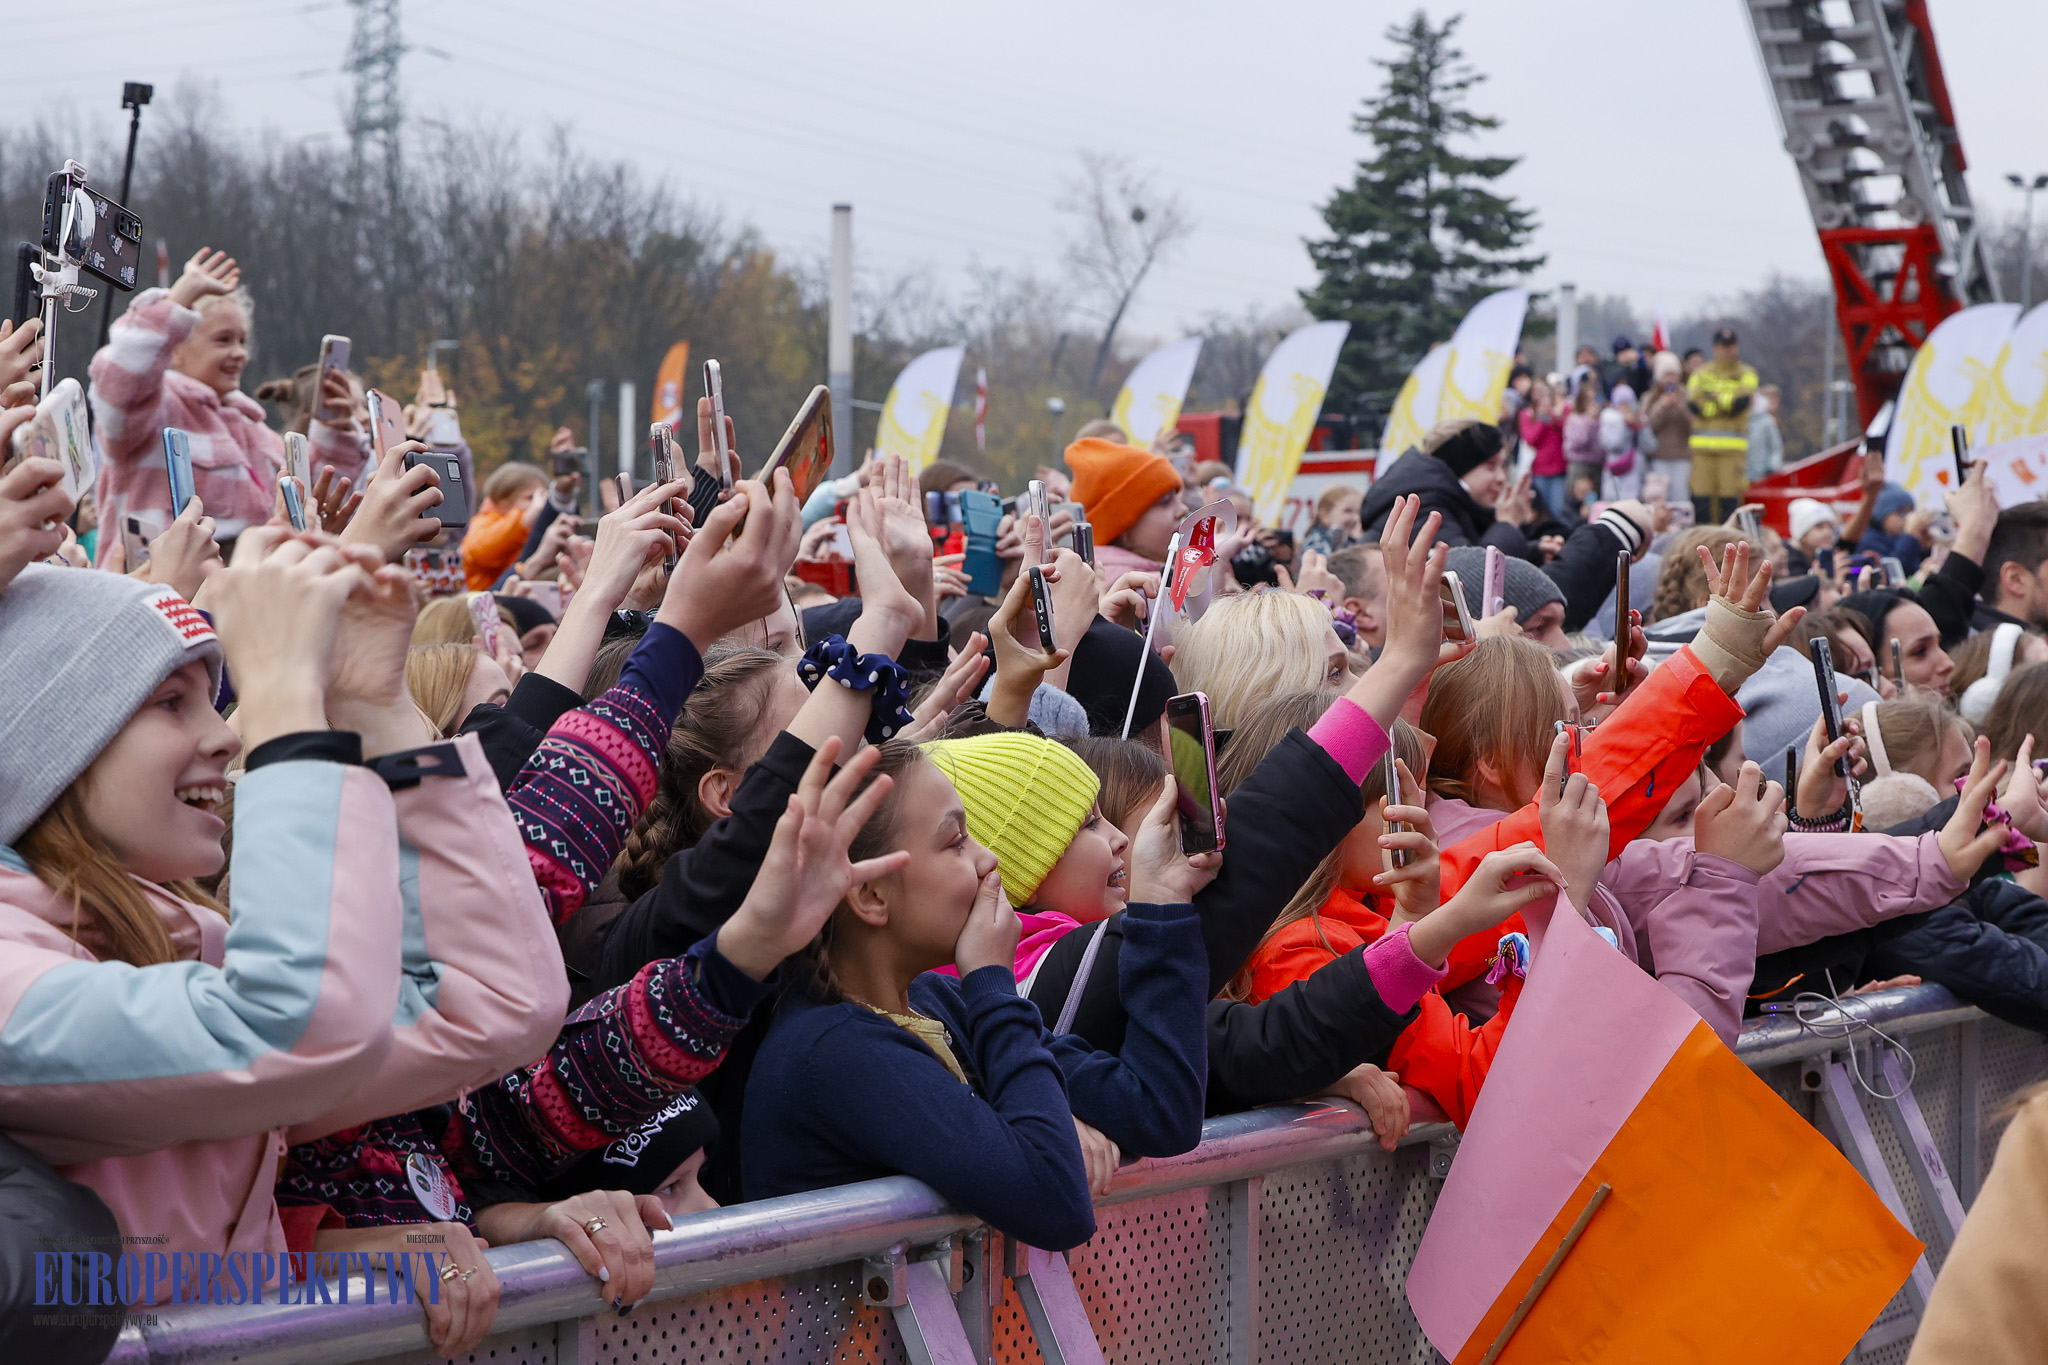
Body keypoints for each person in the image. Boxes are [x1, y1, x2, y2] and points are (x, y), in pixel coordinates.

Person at [0, 529, 568, 1296]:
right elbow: (293, 1024)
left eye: (220, 700)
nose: (225, 733)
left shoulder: (184, 943)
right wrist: (280, 706)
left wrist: (377, 706)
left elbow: (494, 1003)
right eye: (171, 701)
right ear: (44, 743)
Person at [88, 248, 329, 553]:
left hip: (237, 595)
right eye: (223, 340)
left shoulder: (255, 429)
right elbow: (118, 378)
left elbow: (320, 487)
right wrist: (176, 301)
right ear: (174, 347)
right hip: (155, 594)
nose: (240, 353)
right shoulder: (152, 412)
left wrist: (337, 428)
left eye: (242, 340)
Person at [1358, 420, 1529, 556]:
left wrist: (1536, 552)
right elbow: (1471, 578)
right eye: (1490, 467)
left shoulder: (1446, 501)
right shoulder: (1424, 507)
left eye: (1502, 466)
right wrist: (1508, 524)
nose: (1501, 478)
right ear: (1459, 468)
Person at [1066, 437, 1184, 578]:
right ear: (1122, 529)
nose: (1182, 509)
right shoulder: (1142, 589)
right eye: (1165, 502)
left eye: (1176, 498)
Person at [1685, 327, 1759, 526]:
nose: (1727, 350)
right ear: (1715, 348)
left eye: (1730, 346)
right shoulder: (1700, 373)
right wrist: (1724, 403)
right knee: (1701, 503)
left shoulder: (1747, 373)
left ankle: (1730, 548)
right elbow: (1694, 404)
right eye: (1723, 346)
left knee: (1731, 503)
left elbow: (1739, 404)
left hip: (1732, 452)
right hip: (1702, 451)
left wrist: (1714, 397)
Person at [462, 462, 553, 590]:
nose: (539, 505)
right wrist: (524, 520)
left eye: (543, 497)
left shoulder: (532, 529)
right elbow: (480, 551)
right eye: (530, 498)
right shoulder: (484, 522)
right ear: (501, 501)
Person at [1643, 351, 1693, 508]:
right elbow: (1647, 426)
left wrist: (1680, 407)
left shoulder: (1687, 395)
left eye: (1674, 375)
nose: (1671, 380)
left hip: (1682, 456)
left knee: (1680, 498)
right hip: (1659, 456)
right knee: (1660, 499)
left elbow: (1693, 424)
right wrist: (1661, 407)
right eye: (1667, 375)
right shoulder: (1650, 398)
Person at [1518, 379, 1568, 517]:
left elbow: (1567, 432)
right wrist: (1541, 418)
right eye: (1537, 391)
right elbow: (1530, 439)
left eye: (1544, 391)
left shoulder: (1561, 410)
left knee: (1557, 511)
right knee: (1540, 512)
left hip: (1559, 470)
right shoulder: (1527, 414)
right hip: (1538, 471)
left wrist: (1554, 415)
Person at [1301, 484, 1363, 557]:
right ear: (1325, 516)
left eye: (1359, 512)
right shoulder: (1315, 544)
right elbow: (1336, 565)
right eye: (1348, 511)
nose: (1356, 518)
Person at [1746, 383, 1785, 482]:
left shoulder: (1768, 421)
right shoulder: (1737, 420)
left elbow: (1775, 447)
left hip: (1760, 474)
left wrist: (1772, 468)